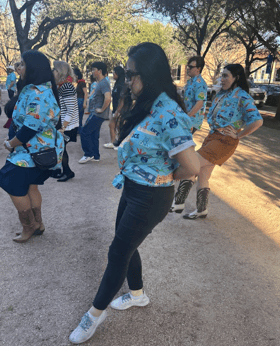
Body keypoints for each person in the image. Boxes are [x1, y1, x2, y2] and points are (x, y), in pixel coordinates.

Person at [69, 42, 200, 344]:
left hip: (151, 195)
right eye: (126, 75)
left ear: (150, 74)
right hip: (132, 187)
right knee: (126, 243)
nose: (127, 80)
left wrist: (163, 175)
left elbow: (191, 166)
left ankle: (93, 316)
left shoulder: (167, 109)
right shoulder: (147, 103)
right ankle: (138, 294)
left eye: (131, 75)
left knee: (118, 251)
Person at [170, 63, 263, 218]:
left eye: (226, 76)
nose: (222, 79)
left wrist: (238, 135)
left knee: (191, 165)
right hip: (212, 137)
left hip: (224, 141)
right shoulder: (221, 94)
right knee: (203, 174)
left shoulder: (242, 96)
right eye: (222, 75)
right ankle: (201, 210)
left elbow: (257, 121)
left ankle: (178, 202)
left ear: (236, 77)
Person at [0, 50, 64, 243]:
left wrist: (10, 144)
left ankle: (29, 227)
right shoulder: (34, 89)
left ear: (33, 67)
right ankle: (38, 224)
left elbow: (30, 127)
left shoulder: (39, 93)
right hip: (32, 151)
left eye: (22, 63)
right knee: (30, 187)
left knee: (8, 180)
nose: (19, 67)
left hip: (31, 152)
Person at [169, 56, 207, 212]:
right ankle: (182, 171)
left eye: (190, 67)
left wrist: (188, 116)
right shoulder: (190, 82)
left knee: (183, 146)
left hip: (192, 121)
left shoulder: (200, 83)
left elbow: (199, 103)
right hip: (186, 119)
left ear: (198, 68)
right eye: (187, 67)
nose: (187, 69)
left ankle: (184, 172)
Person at [78, 62, 111, 163]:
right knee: (94, 134)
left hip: (97, 114)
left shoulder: (104, 83)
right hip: (96, 113)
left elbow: (108, 98)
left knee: (84, 132)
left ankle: (88, 154)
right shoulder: (100, 83)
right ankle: (96, 156)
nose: (92, 72)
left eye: (93, 70)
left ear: (100, 71)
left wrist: (101, 109)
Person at [53, 60, 79, 182]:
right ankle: (63, 170)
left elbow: (70, 109)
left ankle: (67, 172)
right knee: (60, 149)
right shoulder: (61, 85)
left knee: (61, 149)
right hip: (63, 124)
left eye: (54, 69)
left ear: (60, 72)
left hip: (67, 126)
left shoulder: (67, 86)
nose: (52, 71)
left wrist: (63, 127)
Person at [104, 66, 125, 149]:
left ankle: (120, 143)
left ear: (118, 74)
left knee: (119, 127)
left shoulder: (122, 85)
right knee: (111, 125)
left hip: (120, 110)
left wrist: (118, 111)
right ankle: (113, 142)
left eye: (114, 73)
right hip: (115, 108)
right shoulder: (117, 84)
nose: (113, 75)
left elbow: (122, 100)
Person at [73, 67, 88, 133]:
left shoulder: (82, 83)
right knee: (78, 116)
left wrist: (84, 102)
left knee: (79, 116)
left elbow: (86, 93)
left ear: (76, 76)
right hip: (78, 100)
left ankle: (79, 130)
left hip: (81, 101)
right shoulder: (79, 83)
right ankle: (79, 130)